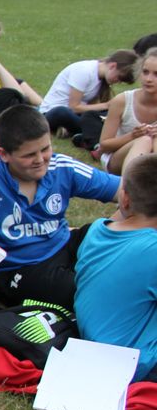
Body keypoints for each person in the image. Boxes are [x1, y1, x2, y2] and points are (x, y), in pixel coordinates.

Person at [0, 105, 121, 309]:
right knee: (85, 293)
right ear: (4, 154)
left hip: (63, 244)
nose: (40, 160)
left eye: (45, 149)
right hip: (18, 267)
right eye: (29, 155)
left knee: (124, 240)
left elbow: (128, 192)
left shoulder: (62, 167)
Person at [74, 153, 157, 382]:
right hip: (134, 363)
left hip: (90, 344)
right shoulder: (152, 249)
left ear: (125, 198)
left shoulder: (97, 229)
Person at [39, 50, 138, 138]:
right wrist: (106, 105)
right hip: (53, 112)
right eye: (119, 78)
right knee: (61, 112)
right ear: (113, 66)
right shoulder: (85, 71)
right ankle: (100, 132)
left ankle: (78, 130)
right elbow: (74, 107)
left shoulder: (100, 78)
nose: (118, 82)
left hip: (77, 114)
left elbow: (90, 108)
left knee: (110, 114)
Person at [97, 48, 157, 174]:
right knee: (145, 140)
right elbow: (104, 145)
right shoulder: (123, 100)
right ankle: (127, 185)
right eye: (145, 72)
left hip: (151, 162)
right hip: (117, 158)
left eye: (156, 74)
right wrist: (133, 136)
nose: (148, 79)